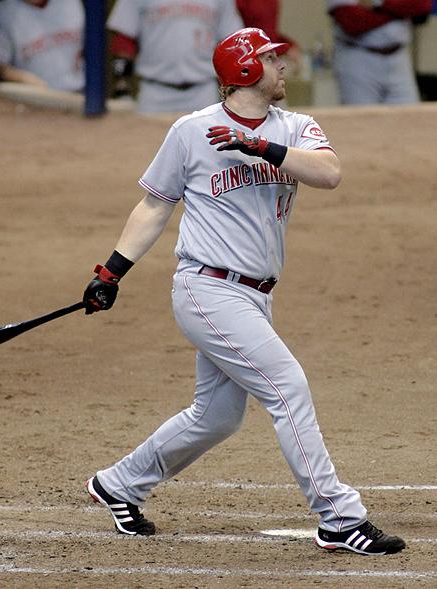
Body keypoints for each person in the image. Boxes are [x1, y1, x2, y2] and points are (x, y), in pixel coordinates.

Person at [82, 27, 406, 556]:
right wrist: (111, 271)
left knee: (216, 416)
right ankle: (338, 517)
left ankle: (119, 484)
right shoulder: (191, 131)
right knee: (287, 386)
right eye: (272, 59)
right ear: (247, 71)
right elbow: (155, 206)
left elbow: (330, 174)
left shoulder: (296, 126)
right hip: (207, 289)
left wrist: (262, 147)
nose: (283, 66)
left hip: (256, 295)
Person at [106, 0, 243, 114]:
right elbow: (124, 39)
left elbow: (233, 42)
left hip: (203, 90)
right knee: (147, 145)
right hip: (155, 90)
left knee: (205, 144)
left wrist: (236, 89)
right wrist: (121, 85)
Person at [327, 0, 433, 104]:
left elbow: (423, 5)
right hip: (359, 57)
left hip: (398, 57)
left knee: (409, 116)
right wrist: (400, 10)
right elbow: (352, 22)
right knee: (362, 118)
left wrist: (378, 3)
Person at [0, 0, 85, 92]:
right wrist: (22, 78)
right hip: (39, 98)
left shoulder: (71, 2)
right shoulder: (5, 12)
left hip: (82, 92)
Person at [236, 0, 302, 77]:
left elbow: (269, 32)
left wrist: (289, 46)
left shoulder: (272, 2)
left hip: (266, 56)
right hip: (249, 59)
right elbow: (234, 33)